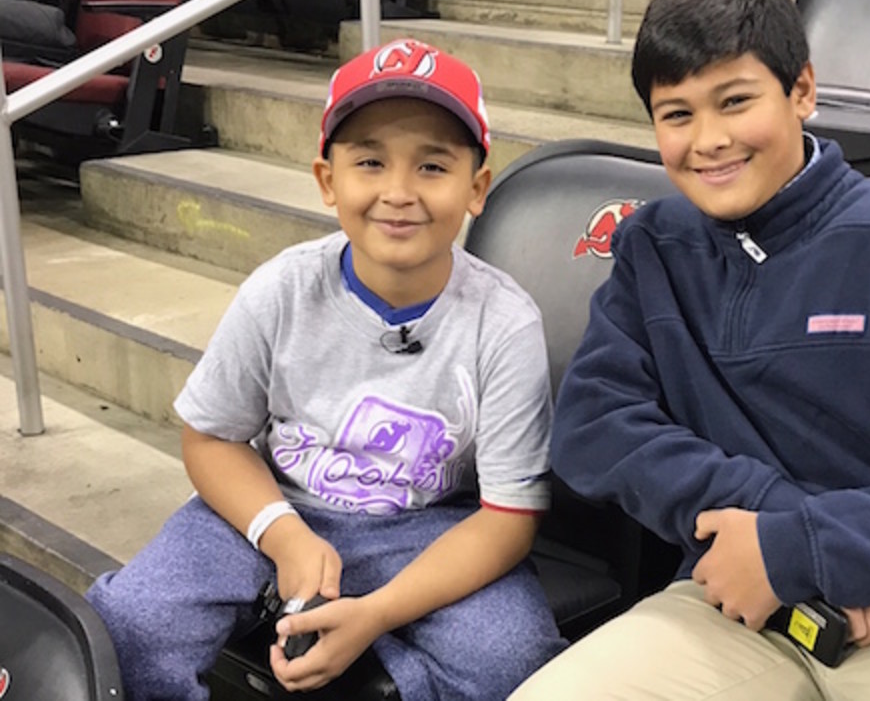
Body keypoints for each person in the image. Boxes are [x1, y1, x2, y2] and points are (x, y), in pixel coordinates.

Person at [511, 0, 870, 701]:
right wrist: (774, 533)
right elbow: (594, 427)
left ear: (801, 90)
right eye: (675, 114)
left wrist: (806, 548)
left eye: (735, 102)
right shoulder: (654, 246)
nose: (707, 140)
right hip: (736, 593)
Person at [86, 37, 567, 700]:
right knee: (131, 622)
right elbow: (211, 437)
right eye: (370, 161)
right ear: (327, 180)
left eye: (433, 167)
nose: (398, 192)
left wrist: (377, 613)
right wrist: (281, 535)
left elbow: (509, 518)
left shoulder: (504, 322)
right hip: (272, 505)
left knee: (513, 657)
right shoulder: (280, 290)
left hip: (426, 525)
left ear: (477, 189)